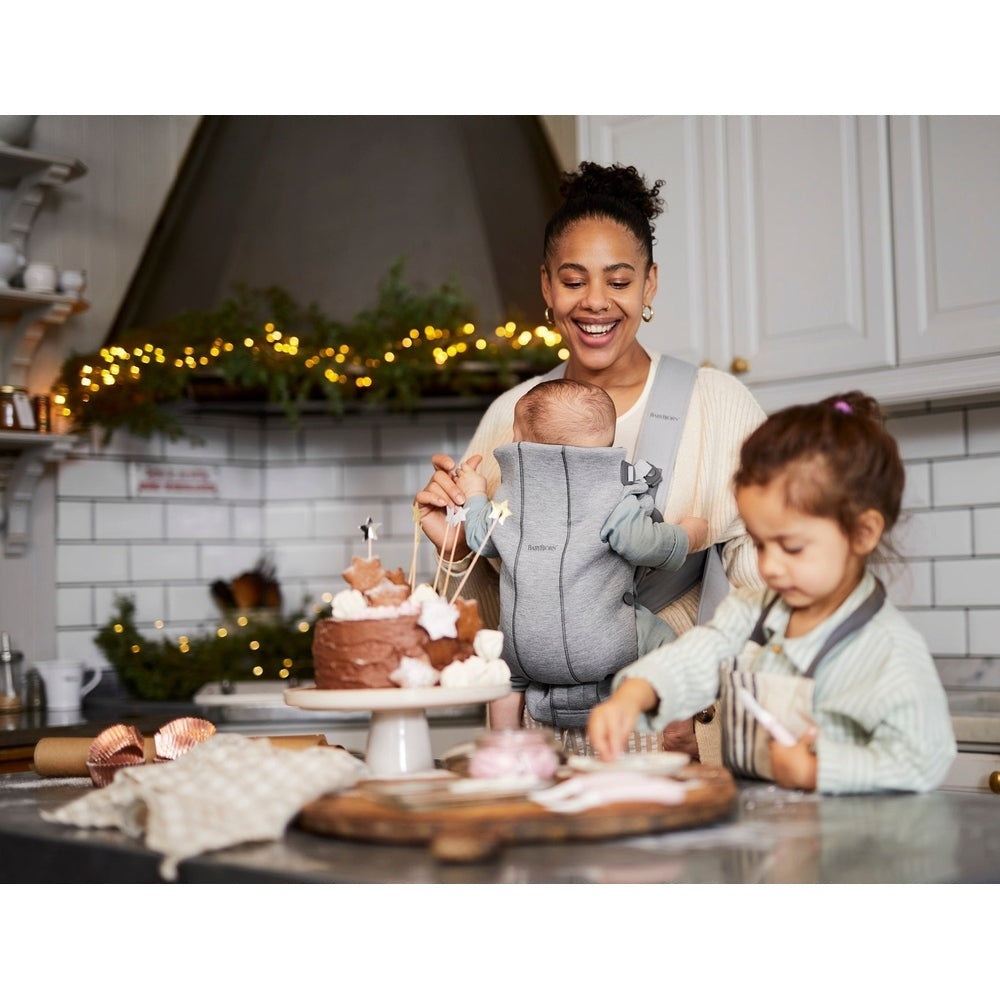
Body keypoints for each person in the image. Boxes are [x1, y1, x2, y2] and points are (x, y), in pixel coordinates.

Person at [416, 161, 766, 759]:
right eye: (574, 280)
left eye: (620, 281)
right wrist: (451, 550)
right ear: (547, 286)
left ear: (650, 284)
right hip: (539, 750)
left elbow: (766, 588)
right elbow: (487, 612)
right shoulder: (510, 415)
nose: (596, 303)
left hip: (676, 735)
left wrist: (701, 704)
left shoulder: (719, 405)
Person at [588, 392, 957, 794]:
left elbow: (925, 759)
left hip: (843, 846)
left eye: (792, 548)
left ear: (862, 532)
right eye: (761, 545)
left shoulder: (888, 650)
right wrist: (636, 694)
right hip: (758, 833)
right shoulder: (752, 610)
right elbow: (697, 657)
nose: (770, 567)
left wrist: (817, 772)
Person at [453, 377, 709, 730]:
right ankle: (680, 729)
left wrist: (475, 492)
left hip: (524, 649)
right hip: (605, 643)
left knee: (505, 676)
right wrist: (687, 535)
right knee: (670, 652)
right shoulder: (616, 495)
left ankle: (504, 741)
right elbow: (639, 543)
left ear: (520, 443)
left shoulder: (511, 501)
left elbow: (480, 536)